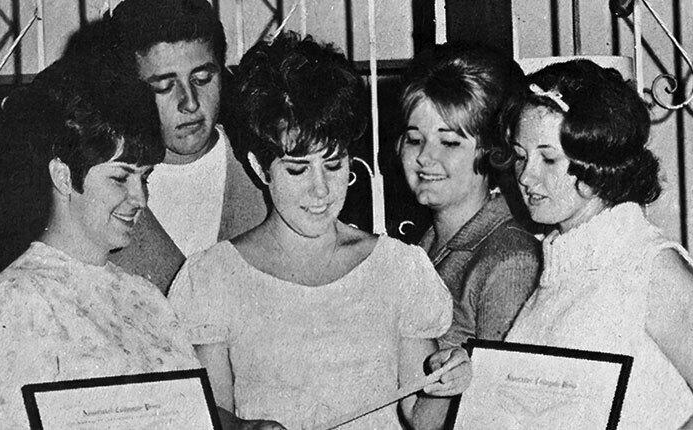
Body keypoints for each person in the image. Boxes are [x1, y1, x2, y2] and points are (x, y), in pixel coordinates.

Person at [0, 51, 282, 430]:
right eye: (120, 178)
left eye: (144, 178)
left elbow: (184, 413)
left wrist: (242, 428)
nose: (140, 199)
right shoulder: (13, 303)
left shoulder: (145, 298)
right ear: (63, 176)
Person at [169, 33, 471, 430]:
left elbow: (422, 420)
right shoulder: (211, 278)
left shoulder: (399, 269)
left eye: (333, 164)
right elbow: (211, 416)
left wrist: (445, 386)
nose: (321, 190)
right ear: (261, 169)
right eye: (297, 169)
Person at [504, 59, 693, 428]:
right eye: (521, 156)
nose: (526, 176)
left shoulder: (648, 266)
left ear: (597, 163)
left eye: (548, 158)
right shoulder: (560, 264)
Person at [103, 0, 269, 292]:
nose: (190, 102)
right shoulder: (104, 189)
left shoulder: (266, 172)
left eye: (202, 78)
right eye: (164, 86)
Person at [397, 43, 541, 349]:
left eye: (449, 143)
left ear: (492, 149)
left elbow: (500, 391)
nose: (424, 156)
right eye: (414, 139)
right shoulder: (427, 242)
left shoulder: (509, 260)